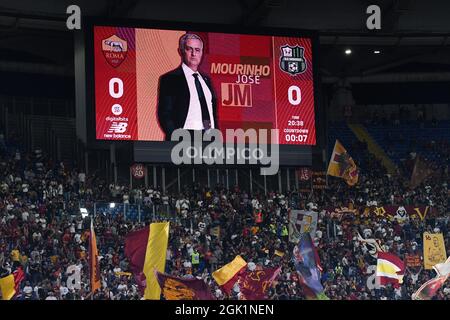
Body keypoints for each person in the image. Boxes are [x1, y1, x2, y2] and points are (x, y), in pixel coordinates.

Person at [157, 33, 218, 140]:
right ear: (180, 51)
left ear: (202, 53)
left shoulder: (206, 80)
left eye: (197, 50)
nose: (194, 53)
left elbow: (213, 113)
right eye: (189, 49)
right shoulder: (170, 78)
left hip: (209, 137)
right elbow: (165, 113)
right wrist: (175, 137)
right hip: (184, 136)